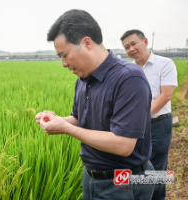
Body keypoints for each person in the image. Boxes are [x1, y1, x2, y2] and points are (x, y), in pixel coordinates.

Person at [36, 10, 154, 200]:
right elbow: (79, 119)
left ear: (87, 43)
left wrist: (66, 128)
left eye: (64, 55)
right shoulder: (82, 79)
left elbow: (123, 145)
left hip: (122, 180)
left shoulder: (129, 78)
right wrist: (58, 120)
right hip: (91, 177)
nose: (64, 64)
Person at [121, 29, 178, 200]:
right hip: (133, 128)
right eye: (126, 47)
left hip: (158, 125)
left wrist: (140, 119)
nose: (130, 49)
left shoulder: (165, 63)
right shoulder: (127, 69)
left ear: (145, 41)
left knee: (157, 169)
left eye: (133, 44)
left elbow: (166, 95)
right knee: (134, 167)